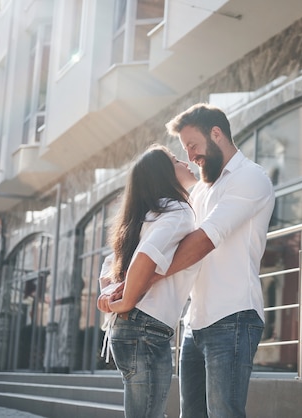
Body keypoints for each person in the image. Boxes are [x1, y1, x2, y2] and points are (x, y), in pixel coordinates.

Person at [165, 103, 275, 418]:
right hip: (195, 321)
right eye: (185, 150)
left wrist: (149, 277)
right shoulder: (201, 189)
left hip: (233, 317)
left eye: (193, 146)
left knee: (224, 414)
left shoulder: (250, 177)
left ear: (217, 134)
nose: (190, 157)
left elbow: (205, 239)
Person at [97, 144, 199, 418]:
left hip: (129, 329)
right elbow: (145, 256)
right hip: (145, 328)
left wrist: (110, 295)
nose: (185, 163)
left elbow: (110, 266)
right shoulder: (178, 212)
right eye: (176, 160)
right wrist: (126, 300)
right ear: (164, 175)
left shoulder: (144, 217)